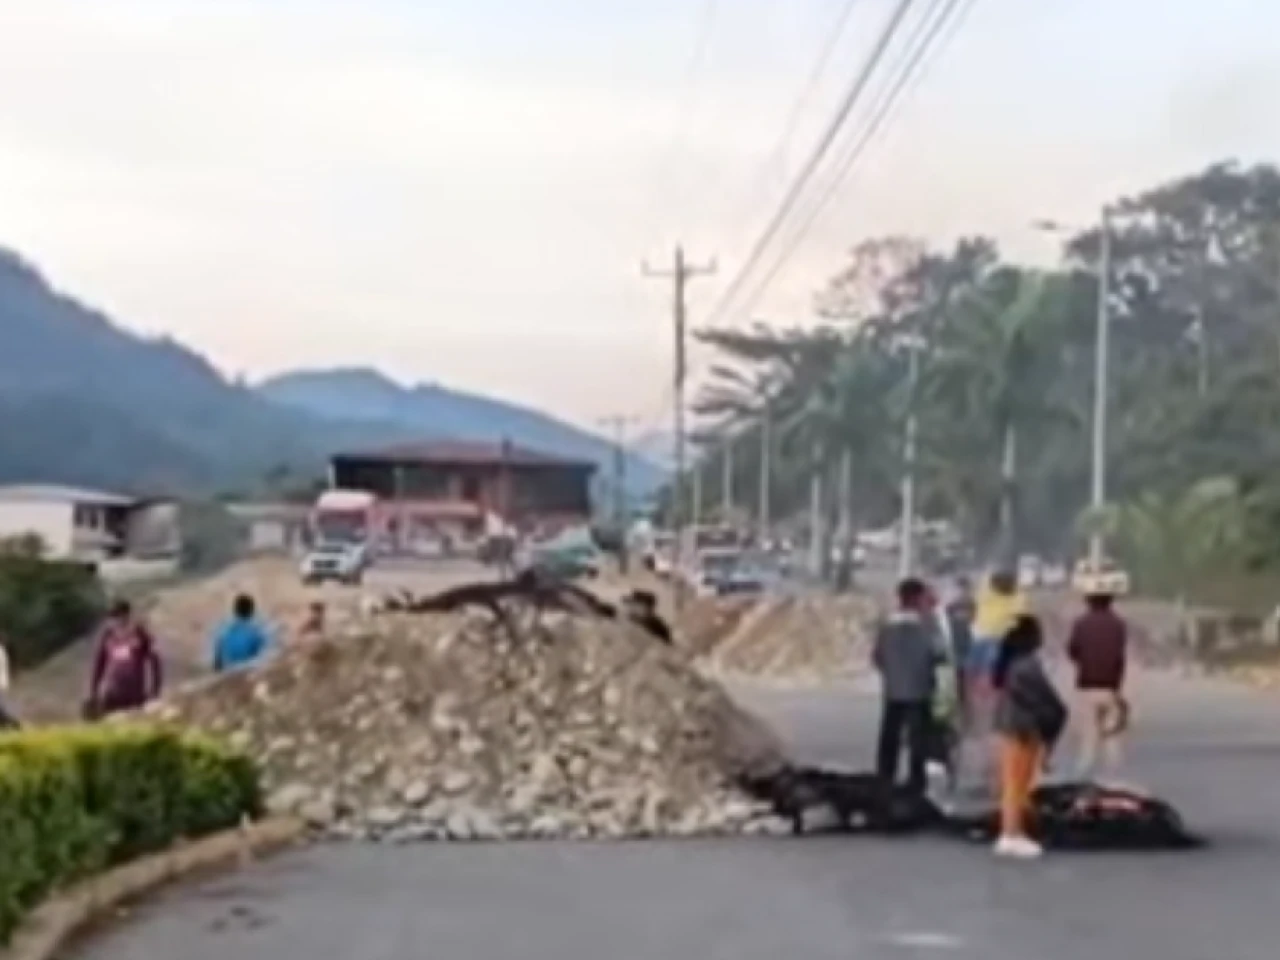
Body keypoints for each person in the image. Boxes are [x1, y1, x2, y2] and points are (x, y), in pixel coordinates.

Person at [992, 614, 1068, 859]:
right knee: (1016, 784)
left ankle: (1014, 831)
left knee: (1015, 783)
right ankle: (1011, 834)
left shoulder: (1010, 663)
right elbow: (1046, 700)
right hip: (1022, 729)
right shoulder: (1027, 666)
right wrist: (1054, 722)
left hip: (1011, 726)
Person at [872, 577, 942, 796]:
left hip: (893, 689)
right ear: (918, 597)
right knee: (917, 739)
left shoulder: (886, 624)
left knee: (889, 736)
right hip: (920, 689)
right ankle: (916, 782)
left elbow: (878, 657)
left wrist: (891, 672)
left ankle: (885, 778)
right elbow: (938, 653)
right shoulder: (928, 624)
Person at [1066, 590, 1129, 777]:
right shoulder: (1119, 624)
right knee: (1111, 734)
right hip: (1110, 686)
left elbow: (1072, 651)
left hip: (1087, 684)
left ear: (1089, 602)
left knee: (1089, 734)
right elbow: (1119, 655)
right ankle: (1114, 774)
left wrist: (1084, 661)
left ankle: (1083, 772)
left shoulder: (1080, 623)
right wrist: (1118, 686)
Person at [87, 600, 163, 717]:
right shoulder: (108, 636)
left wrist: (155, 690)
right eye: (112, 617)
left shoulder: (140, 634)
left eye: (117, 616)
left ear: (126, 615)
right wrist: (94, 691)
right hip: (112, 693)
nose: (115, 621)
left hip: (134, 694)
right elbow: (99, 665)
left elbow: (155, 663)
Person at [212, 594, 270, 673]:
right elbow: (263, 654)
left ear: (235, 611)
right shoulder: (255, 631)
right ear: (251, 611)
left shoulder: (226, 629)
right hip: (248, 669)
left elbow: (218, 652)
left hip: (229, 669)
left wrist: (217, 666)